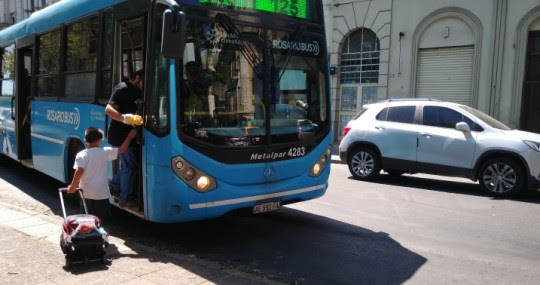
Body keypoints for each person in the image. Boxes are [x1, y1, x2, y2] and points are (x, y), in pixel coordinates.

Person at [67, 127, 136, 221]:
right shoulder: (105, 151)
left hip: (86, 193)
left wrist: (73, 186)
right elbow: (122, 150)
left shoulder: (82, 154)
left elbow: (79, 170)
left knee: (86, 219)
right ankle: (98, 231)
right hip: (101, 193)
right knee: (99, 219)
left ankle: (88, 233)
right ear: (100, 141)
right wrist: (129, 137)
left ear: (85, 140)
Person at [105, 69, 144, 207]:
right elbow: (108, 109)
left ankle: (115, 185)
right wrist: (124, 118)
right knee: (130, 166)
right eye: (144, 81)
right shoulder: (123, 88)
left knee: (131, 165)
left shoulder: (139, 91)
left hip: (132, 135)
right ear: (138, 78)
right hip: (121, 135)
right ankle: (125, 199)